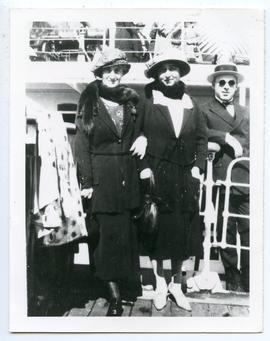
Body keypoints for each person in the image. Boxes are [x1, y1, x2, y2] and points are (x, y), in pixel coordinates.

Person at [74, 47, 147, 316]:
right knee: (105, 239)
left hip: (127, 176)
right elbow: (81, 144)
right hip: (101, 178)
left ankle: (125, 289)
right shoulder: (89, 100)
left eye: (118, 71)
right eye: (109, 71)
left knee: (125, 236)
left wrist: (143, 138)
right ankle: (113, 296)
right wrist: (87, 181)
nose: (114, 76)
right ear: (100, 73)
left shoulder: (131, 101)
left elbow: (138, 132)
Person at [139, 49, 208, 311]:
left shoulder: (191, 103)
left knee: (181, 233)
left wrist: (198, 168)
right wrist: (144, 168)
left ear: (180, 72)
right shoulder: (148, 100)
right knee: (158, 231)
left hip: (184, 176)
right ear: (157, 74)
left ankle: (176, 286)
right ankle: (159, 284)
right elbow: (138, 135)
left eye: (173, 68)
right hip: (158, 174)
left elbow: (201, 138)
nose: (168, 74)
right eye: (163, 69)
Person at [200, 63, 250, 292]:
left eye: (231, 83)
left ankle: (250, 277)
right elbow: (199, 132)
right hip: (222, 179)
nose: (227, 87)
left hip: (246, 179)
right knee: (224, 229)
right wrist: (225, 137)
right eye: (222, 83)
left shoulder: (245, 111)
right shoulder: (204, 110)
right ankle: (233, 277)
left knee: (248, 230)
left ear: (237, 86)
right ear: (214, 86)